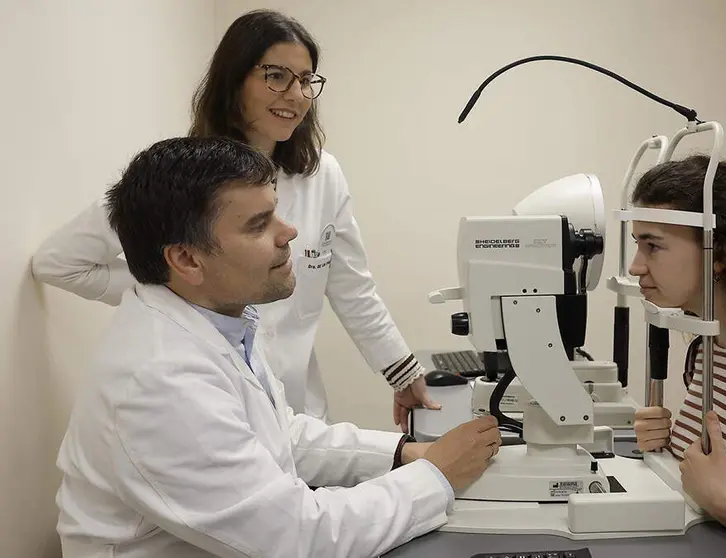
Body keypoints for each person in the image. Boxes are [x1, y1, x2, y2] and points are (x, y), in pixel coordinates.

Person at [55, 136, 501, 558]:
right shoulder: (159, 380)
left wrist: (401, 453)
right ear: (187, 259)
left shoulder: (219, 318)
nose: (288, 233)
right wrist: (435, 476)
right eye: (258, 225)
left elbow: (276, 434)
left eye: (276, 213)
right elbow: (298, 538)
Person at [30, 9, 433, 431]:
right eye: (277, 76)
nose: (295, 95)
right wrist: (175, 286)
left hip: (297, 415)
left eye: (306, 80)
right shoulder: (182, 179)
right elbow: (58, 262)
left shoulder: (321, 174)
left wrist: (403, 373)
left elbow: (352, 287)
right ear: (234, 79)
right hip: (210, 409)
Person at [629, 155, 726, 531]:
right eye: (638, 244)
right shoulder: (709, 346)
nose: (635, 266)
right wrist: (670, 444)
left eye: (652, 246)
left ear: (718, 252)